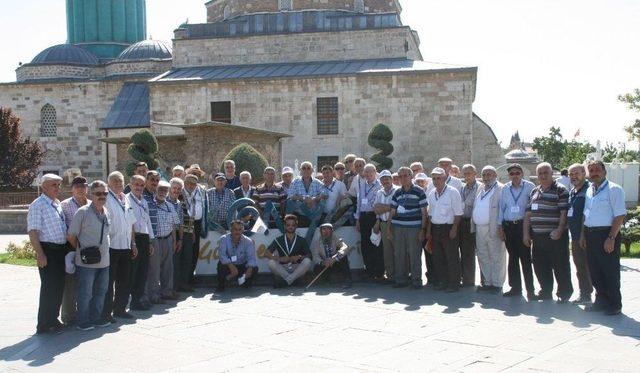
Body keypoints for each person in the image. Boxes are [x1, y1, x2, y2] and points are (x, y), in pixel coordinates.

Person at [580, 160, 626, 315]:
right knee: (595, 270)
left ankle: (615, 304)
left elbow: (619, 215)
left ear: (604, 172)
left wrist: (611, 237)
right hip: (590, 233)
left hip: (606, 234)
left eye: (597, 170)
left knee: (609, 270)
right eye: (591, 170)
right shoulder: (589, 190)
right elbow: (586, 214)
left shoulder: (614, 189)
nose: (594, 173)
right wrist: (583, 235)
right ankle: (601, 301)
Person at [523, 162, 573, 303]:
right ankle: (545, 291)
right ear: (537, 175)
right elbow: (528, 215)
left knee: (560, 265)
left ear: (552, 174)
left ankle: (564, 293)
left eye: (546, 172)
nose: (543, 175)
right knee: (540, 265)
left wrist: (559, 230)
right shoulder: (534, 191)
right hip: (537, 236)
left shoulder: (560, 190)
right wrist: (526, 234)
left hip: (555, 236)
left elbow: (564, 213)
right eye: (540, 173)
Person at [67, 180, 112, 331]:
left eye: (105, 193)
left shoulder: (106, 211)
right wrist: (81, 250)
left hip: (104, 261)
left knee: (101, 291)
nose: (102, 196)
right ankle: (82, 320)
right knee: (85, 292)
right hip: (87, 262)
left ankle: (95, 318)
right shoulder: (83, 212)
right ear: (92, 194)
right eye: (98, 193)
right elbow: (71, 236)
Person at [28, 174, 68, 334]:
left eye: (58, 184)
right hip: (48, 251)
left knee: (58, 287)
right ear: (44, 187)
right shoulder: (38, 205)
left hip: (60, 251)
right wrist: (40, 254)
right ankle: (43, 324)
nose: (57, 187)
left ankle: (53, 319)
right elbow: (33, 231)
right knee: (49, 288)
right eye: (54, 185)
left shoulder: (56, 204)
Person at [102, 172, 137, 322]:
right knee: (109, 282)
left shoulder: (125, 199)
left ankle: (120, 309)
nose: (118, 183)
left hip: (125, 246)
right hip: (111, 247)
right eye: (115, 181)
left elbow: (131, 224)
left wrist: (133, 243)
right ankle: (106, 312)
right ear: (109, 183)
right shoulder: (106, 199)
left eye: (120, 181)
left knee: (124, 280)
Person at [498, 164, 536, 300]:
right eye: (512, 173)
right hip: (509, 227)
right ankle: (515, 288)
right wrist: (500, 227)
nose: (515, 176)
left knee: (526, 259)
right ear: (509, 175)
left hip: (523, 227)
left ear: (522, 174)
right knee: (512, 259)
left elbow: (532, 208)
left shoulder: (530, 187)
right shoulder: (505, 188)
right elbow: (501, 209)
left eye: (517, 173)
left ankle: (530, 290)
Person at [388, 167, 429, 289]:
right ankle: (401, 280)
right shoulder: (397, 192)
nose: (403, 178)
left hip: (414, 228)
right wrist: (389, 228)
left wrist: (423, 229)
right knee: (399, 254)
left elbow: (424, 212)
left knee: (414, 254)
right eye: (400, 176)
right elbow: (392, 211)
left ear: (411, 176)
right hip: (398, 228)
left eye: (405, 175)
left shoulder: (419, 191)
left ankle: (416, 280)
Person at [426, 167, 463, 292]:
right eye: (434, 178)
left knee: (451, 257)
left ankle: (454, 284)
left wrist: (454, 229)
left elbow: (458, 213)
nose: (436, 181)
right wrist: (429, 231)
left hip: (448, 228)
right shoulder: (432, 193)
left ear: (444, 178)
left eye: (438, 178)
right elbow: (430, 214)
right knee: (438, 257)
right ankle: (443, 281)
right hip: (435, 228)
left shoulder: (453, 192)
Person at [60, 176, 90, 326]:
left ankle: (84, 312)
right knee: (70, 284)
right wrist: (76, 246)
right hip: (71, 248)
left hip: (90, 250)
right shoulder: (64, 205)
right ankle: (68, 316)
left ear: (87, 188)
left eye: (83, 186)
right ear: (72, 189)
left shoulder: (91, 204)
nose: (80, 189)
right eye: (77, 186)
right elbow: (64, 229)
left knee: (86, 282)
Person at [472, 166, 505, 294]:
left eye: (489, 175)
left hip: (493, 228)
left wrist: (501, 227)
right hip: (479, 228)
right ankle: (487, 282)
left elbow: (502, 209)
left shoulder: (500, 188)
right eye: (484, 175)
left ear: (495, 175)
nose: (486, 177)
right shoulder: (481, 188)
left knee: (496, 255)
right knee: (483, 255)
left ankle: (497, 284)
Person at [146, 180, 180, 304]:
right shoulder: (150, 204)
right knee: (154, 270)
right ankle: (153, 295)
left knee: (168, 268)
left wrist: (175, 241)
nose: (163, 192)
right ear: (156, 190)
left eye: (165, 190)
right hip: (156, 240)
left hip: (168, 239)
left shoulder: (170, 206)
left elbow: (175, 225)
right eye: (161, 189)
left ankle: (166, 292)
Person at [127, 175, 155, 311]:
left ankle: (138, 300)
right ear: (131, 185)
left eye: (141, 185)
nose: (139, 187)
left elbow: (148, 221)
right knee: (133, 271)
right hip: (133, 238)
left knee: (143, 271)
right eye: (136, 184)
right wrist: (133, 243)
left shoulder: (144, 201)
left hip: (144, 238)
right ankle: (130, 300)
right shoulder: (126, 200)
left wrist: (150, 241)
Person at [566, 163, 593, 305]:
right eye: (571, 174)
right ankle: (585, 293)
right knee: (580, 266)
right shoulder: (573, 191)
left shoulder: (589, 189)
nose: (573, 176)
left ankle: (592, 294)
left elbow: (586, 214)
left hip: (585, 236)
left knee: (589, 266)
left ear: (584, 173)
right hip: (575, 236)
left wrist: (583, 235)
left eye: (576, 173)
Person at [264, 215, 313, 287]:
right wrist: (278, 258)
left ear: (296, 226)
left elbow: (309, 255)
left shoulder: (301, 240)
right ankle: (292, 280)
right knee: (271, 262)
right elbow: (266, 253)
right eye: (288, 225)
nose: (291, 227)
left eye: (293, 225)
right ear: (284, 226)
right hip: (283, 268)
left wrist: (299, 257)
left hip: (297, 267)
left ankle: (287, 281)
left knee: (307, 261)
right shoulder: (278, 239)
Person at [355, 163, 384, 281]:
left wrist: (378, 220)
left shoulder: (380, 185)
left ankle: (379, 271)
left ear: (375, 172)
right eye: (365, 172)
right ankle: (369, 270)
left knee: (376, 244)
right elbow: (359, 203)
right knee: (365, 244)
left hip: (374, 216)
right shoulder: (362, 185)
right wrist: (357, 219)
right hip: (363, 217)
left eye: (370, 172)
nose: (367, 174)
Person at [286, 161, 327, 243]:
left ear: (312, 170)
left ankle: (307, 243)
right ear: (300, 170)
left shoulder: (317, 182)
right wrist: (303, 198)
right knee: (290, 202)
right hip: (300, 212)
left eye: (308, 168)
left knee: (322, 205)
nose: (306, 170)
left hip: (312, 212)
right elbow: (290, 195)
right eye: (304, 168)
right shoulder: (295, 182)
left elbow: (325, 194)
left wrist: (314, 199)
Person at [216, 220, 259, 291]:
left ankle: (246, 284)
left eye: (240, 229)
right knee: (220, 264)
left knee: (254, 268)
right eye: (235, 229)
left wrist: (250, 268)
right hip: (229, 265)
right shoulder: (224, 239)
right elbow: (222, 255)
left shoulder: (248, 241)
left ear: (243, 230)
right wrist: (231, 266)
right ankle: (221, 285)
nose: (237, 232)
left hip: (242, 265)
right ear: (231, 230)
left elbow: (251, 258)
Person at [169, 178, 194, 293]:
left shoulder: (179, 203)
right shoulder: (164, 201)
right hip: (169, 235)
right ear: (170, 188)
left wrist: (181, 238)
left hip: (181, 234)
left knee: (183, 260)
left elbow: (183, 221)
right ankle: (172, 288)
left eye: (179, 189)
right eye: (174, 188)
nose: (176, 190)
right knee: (173, 263)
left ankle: (180, 285)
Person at [310, 223, 353, 288]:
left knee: (343, 257)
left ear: (331, 231)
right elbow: (315, 257)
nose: (326, 231)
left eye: (328, 229)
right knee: (316, 268)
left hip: (335, 263)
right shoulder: (317, 242)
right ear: (321, 231)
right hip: (326, 265)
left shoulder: (336, 238)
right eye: (324, 229)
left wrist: (335, 258)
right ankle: (326, 280)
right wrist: (323, 262)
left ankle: (348, 280)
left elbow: (345, 247)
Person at [374, 170, 398, 283]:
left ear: (391, 179)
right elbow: (376, 209)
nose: (385, 181)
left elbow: (397, 208)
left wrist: (384, 207)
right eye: (382, 179)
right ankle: (391, 275)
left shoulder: (397, 190)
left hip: (396, 224)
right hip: (383, 224)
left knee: (399, 250)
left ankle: (401, 274)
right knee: (387, 251)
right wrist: (389, 207)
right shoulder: (379, 192)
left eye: (387, 179)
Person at [459, 164, 480, 287]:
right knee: (466, 251)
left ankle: (484, 281)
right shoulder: (462, 188)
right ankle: (467, 279)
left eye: (469, 173)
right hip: (463, 221)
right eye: (465, 173)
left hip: (475, 222)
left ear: (475, 174)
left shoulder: (480, 187)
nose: (467, 176)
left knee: (479, 252)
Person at [183, 171, 206, 285]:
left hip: (197, 224)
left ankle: (190, 276)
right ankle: (185, 280)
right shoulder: (181, 193)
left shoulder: (201, 191)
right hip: (186, 225)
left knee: (195, 252)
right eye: (189, 183)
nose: (191, 185)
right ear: (185, 183)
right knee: (187, 253)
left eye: (193, 183)